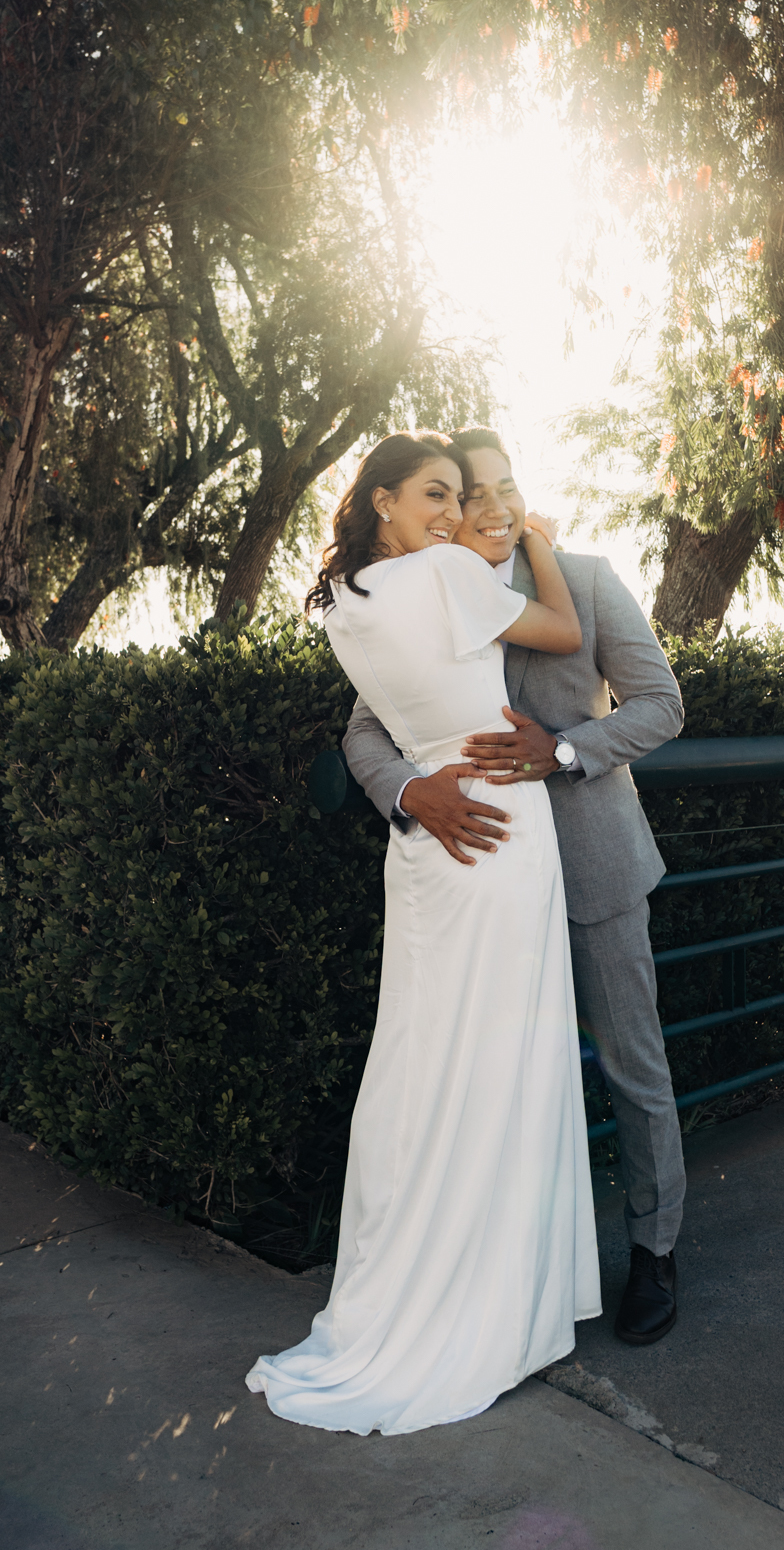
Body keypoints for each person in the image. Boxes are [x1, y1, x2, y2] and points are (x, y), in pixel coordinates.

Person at [246, 433, 601, 1436]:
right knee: (503, 1061)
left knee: (428, 1065)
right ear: (383, 500)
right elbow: (564, 631)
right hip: (497, 823)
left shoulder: (348, 606)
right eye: (435, 495)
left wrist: (412, 783)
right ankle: (494, 1304)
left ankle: (419, 1285)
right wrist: (530, 532)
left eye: (463, 496)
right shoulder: (450, 572)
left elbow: (385, 718)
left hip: (428, 855)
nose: (452, 514)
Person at [344, 428, 687, 1347]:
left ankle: (654, 1253)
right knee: (502, 1086)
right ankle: (515, 1277)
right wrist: (413, 792)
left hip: (596, 869)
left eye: (504, 486)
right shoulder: (429, 583)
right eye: (470, 492)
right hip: (484, 882)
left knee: (633, 1068)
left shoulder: (584, 576)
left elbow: (662, 703)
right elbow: (366, 731)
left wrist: (568, 749)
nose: (489, 507)